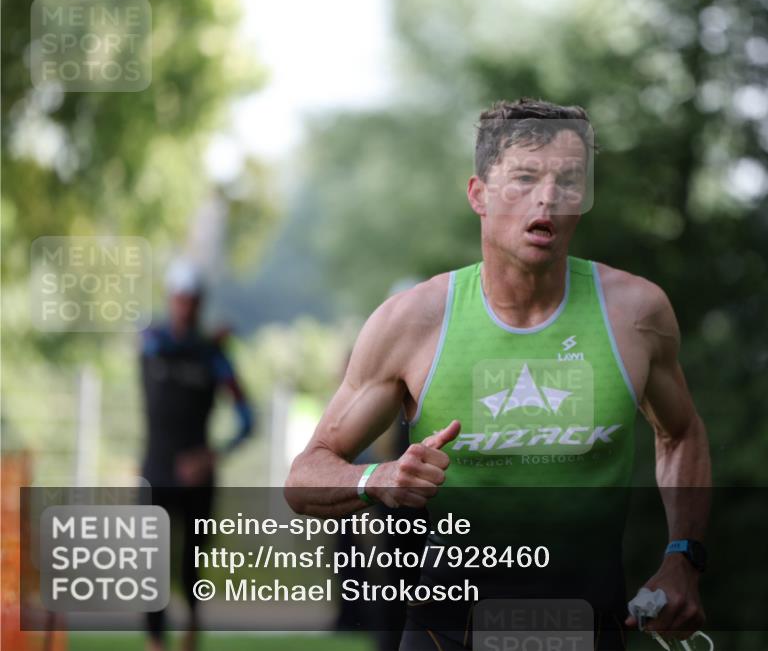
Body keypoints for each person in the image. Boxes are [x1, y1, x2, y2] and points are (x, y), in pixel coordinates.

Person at [285, 98, 712, 649]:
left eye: (569, 180)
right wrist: (379, 479)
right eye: (525, 178)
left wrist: (684, 556)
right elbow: (305, 477)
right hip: (448, 634)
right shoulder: (413, 321)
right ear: (478, 194)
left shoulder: (636, 314)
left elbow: (680, 433)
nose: (547, 198)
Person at [139, 258, 255, 651]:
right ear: (170, 299)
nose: (185, 307)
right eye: (179, 299)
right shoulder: (153, 344)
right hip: (155, 470)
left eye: (192, 300)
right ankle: (154, 642)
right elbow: (161, 342)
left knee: (192, 563)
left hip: (197, 476)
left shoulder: (215, 358)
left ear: (200, 303)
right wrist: (206, 341)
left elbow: (247, 418)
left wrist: (210, 457)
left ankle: (191, 632)